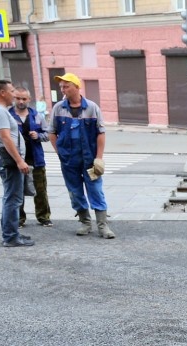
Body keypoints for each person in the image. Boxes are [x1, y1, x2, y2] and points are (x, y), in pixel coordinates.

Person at [48, 73, 115, 239]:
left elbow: (101, 133)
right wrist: (60, 153)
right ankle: (85, 222)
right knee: (75, 192)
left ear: (77, 87)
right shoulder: (58, 108)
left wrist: (99, 157)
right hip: (69, 160)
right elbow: (51, 132)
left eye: (66, 86)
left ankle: (102, 226)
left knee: (96, 191)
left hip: (89, 159)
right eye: (61, 86)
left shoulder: (92, 108)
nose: (63, 89)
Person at [0, 79, 34, 248]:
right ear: (2, 93)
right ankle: (11, 237)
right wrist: (19, 160)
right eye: (12, 91)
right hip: (9, 161)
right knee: (13, 199)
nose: (14, 95)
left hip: (6, 160)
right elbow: (5, 137)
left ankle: (11, 233)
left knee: (11, 198)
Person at [11, 87, 52, 229]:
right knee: (17, 190)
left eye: (24, 99)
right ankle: (19, 219)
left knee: (40, 190)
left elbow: (48, 134)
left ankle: (43, 217)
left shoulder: (36, 116)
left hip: (36, 158)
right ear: (14, 98)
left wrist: (39, 136)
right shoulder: (8, 115)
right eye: (18, 98)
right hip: (16, 159)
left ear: (29, 99)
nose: (21, 101)